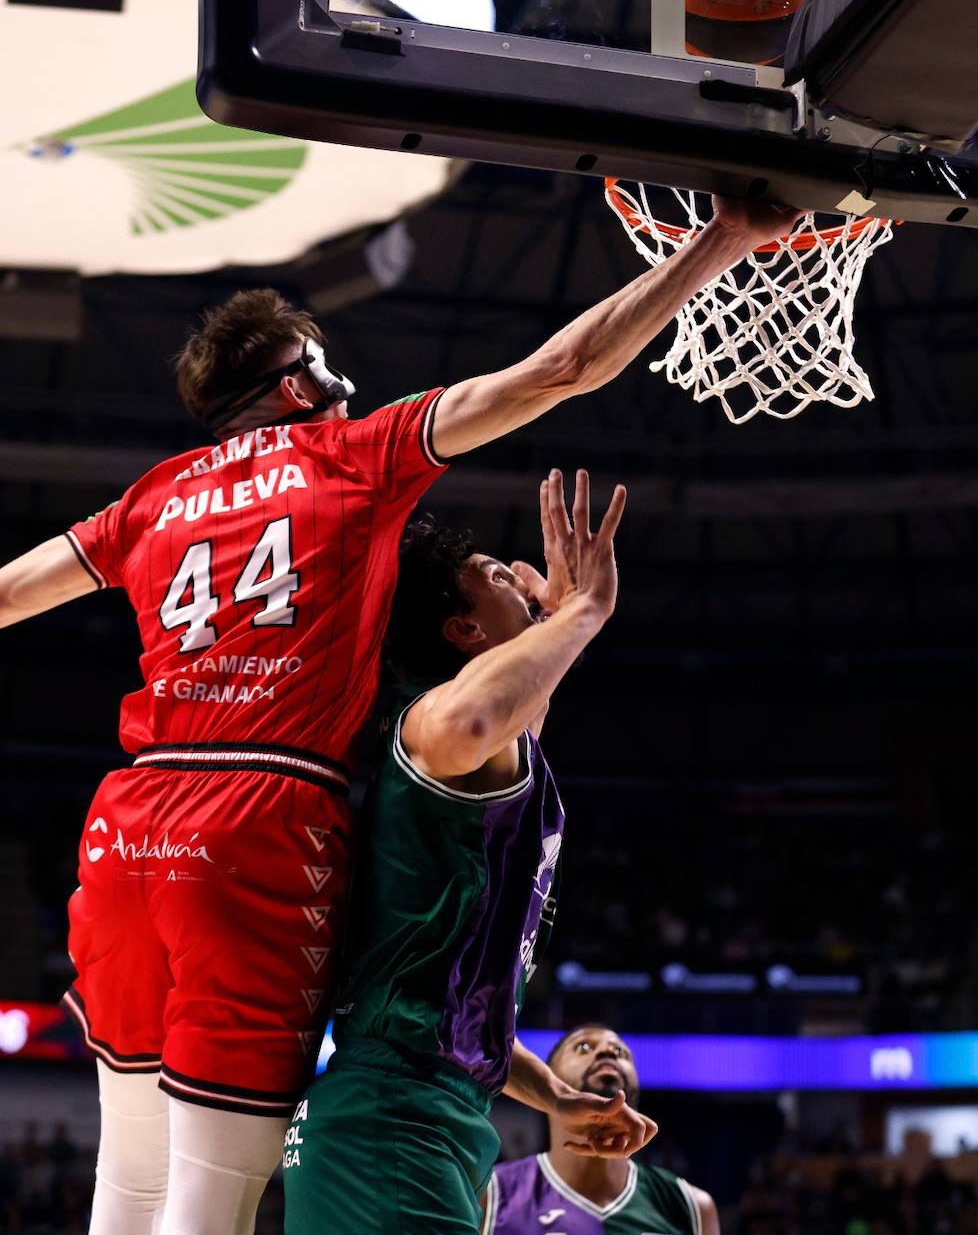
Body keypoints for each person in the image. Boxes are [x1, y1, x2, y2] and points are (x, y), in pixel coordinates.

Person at [0, 196, 797, 1235]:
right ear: (299, 386)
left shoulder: (149, 497)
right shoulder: (353, 453)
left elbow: (8, 594)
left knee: (130, 1177)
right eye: (328, 365)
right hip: (259, 809)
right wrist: (719, 244)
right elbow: (560, 369)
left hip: (128, 818)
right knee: (208, 1194)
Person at [283, 469, 656, 1233]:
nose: (523, 581)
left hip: (429, 1111)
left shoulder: (501, 761)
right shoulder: (431, 726)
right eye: (496, 577)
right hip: (390, 1114)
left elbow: (454, 1007)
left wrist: (553, 1095)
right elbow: (471, 720)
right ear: (463, 631)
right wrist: (581, 612)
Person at [484, 1022, 721, 1235]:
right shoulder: (491, 1194)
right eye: (584, 1047)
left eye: (621, 1052)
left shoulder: (691, 1205)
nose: (607, 1052)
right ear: (548, 1077)